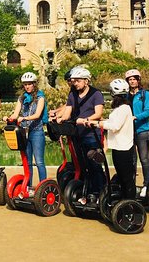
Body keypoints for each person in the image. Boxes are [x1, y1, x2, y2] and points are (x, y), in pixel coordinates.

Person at [81, 79, 136, 201]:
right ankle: (123, 201)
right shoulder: (119, 108)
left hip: (124, 148)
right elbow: (111, 123)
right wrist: (96, 122)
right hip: (118, 147)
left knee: (126, 178)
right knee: (121, 177)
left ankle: (130, 204)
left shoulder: (124, 108)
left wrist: (98, 124)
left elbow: (115, 126)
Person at [59, 67, 105, 199]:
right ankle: (87, 190)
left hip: (92, 135)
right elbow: (68, 111)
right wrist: (61, 119)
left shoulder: (96, 94)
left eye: (78, 81)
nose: (75, 83)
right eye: (74, 81)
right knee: (82, 164)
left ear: (86, 81)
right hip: (78, 134)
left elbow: (98, 113)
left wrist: (86, 120)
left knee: (94, 164)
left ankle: (100, 191)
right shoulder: (72, 95)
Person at [6, 72, 46, 188]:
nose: (27, 86)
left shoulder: (40, 97)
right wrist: (9, 118)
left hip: (36, 131)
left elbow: (37, 114)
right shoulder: (22, 98)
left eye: (29, 84)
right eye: (25, 84)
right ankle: (28, 187)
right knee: (27, 162)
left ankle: (43, 186)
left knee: (39, 162)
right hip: (24, 132)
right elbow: (15, 113)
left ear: (34, 84)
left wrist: (24, 118)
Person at [125, 68, 149, 196]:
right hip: (129, 131)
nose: (132, 81)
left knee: (144, 158)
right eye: (129, 80)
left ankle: (147, 184)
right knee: (131, 159)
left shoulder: (144, 94)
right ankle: (132, 185)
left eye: (134, 79)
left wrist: (135, 117)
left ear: (138, 80)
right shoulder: (126, 96)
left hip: (142, 130)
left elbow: (148, 111)